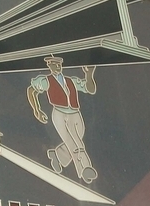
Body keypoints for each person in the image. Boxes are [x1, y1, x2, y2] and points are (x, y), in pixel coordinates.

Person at [27, 56, 98, 184]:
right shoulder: (46, 80)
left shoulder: (70, 81)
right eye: (54, 65)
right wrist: (37, 110)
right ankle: (84, 170)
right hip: (59, 113)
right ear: (49, 66)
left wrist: (89, 74)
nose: (58, 67)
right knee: (74, 144)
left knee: (78, 139)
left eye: (59, 64)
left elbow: (90, 89)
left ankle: (58, 156)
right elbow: (31, 91)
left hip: (75, 113)